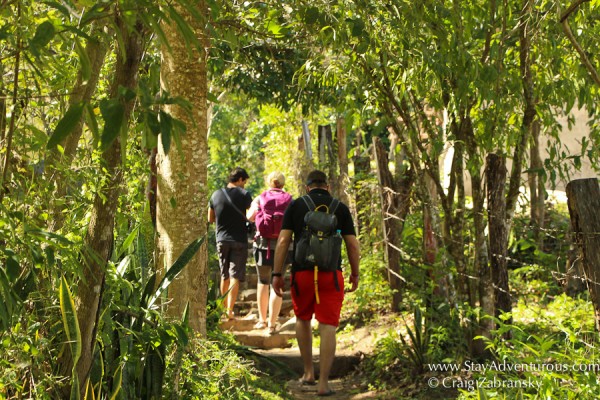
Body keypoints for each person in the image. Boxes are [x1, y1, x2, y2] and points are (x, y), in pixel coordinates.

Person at [272, 170, 360, 397]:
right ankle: (323, 383)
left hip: (302, 275)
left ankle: (308, 372)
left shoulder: (297, 205)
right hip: (331, 275)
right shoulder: (339, 208)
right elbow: (352, 245)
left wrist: (277, 273)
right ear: (328, 186)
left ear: (307, 186)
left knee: (302, 319)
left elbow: (283, 241)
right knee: (328, 325)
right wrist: (355, 274)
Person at [247, 171, 293, 333]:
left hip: (262, 245)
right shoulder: (290, 199)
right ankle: (272, 325)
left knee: (263, 281)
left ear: (269, 182)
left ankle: (262, 320)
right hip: (284, 245)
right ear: (283, 184)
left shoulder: (260, 198)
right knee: (277, 282)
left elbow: (250, 217)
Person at [208, 167, 253, 320]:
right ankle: (230, 311)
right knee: (235, 275)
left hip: (221, 239)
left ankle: (222, 309)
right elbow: (252, 213)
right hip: (239, 239)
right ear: (240, 179)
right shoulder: (244, 194)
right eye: (244, 181)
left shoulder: (216, 194)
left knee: (224, 275)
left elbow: (210, 218)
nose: (244, 185)